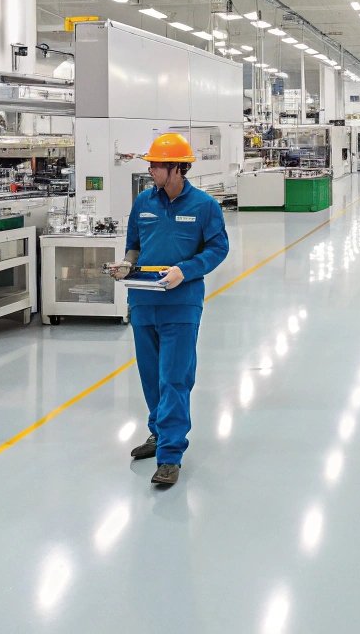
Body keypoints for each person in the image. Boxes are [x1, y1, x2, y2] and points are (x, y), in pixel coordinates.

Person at [109, 133, 230, 487]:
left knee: (174, 378)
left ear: (178, 168)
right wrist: (126, 264)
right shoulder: (143, 201)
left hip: (181, 303)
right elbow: (133, 245)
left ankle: (171, 455)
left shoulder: (205, 206)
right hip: (144, 301)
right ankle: (158, 432)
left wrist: (185, 271)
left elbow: (218, 249)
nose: (150, 170)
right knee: (150, 376)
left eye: (157, 165)